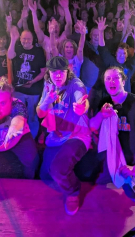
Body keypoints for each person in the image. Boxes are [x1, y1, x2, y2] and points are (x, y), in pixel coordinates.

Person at [90, 67, 135, 204]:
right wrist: (101, 114)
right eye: (108, 78)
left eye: (116, 78)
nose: (112, 81)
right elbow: (92, 126)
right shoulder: (106, 102)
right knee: (94, 180)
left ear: (123, 81)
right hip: (117, 155)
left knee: (134, 192)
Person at [37, 56, 90, 215]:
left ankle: (73, 192)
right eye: (54, 72)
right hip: (56, 137)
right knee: (45, 175)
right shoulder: (48, 85)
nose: (58, 75)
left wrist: (82, 107)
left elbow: (82, 100)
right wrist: (46, 101)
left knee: (58, 170)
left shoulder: (75, 85)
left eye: (61, 72)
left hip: (77, 135)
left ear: (68, 71)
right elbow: (40, 113)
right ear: (49, 73)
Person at [8, 26, 47, 139]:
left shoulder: (38, 52)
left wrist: (33, 81)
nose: (26, 41)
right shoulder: (17, 48)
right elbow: (10, 56)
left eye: (28, 39)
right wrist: (13, 39)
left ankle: (31, 139)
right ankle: (16, 138)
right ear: (20, 39)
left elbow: (43, 72)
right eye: (24, 38)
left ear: (32, 39)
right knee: (17, 115)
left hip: (33, 91)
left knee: (32, 117)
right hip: (18, 89)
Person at [96, 17, 135, 93]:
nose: (121, 55)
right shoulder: (111, 62)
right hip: (110, 96)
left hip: (125, 97)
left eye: (124, 53)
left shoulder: (129, 66)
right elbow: (102, 49)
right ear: (115, 54)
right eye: (119, 53)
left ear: (127, 55)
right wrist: (100, 31)